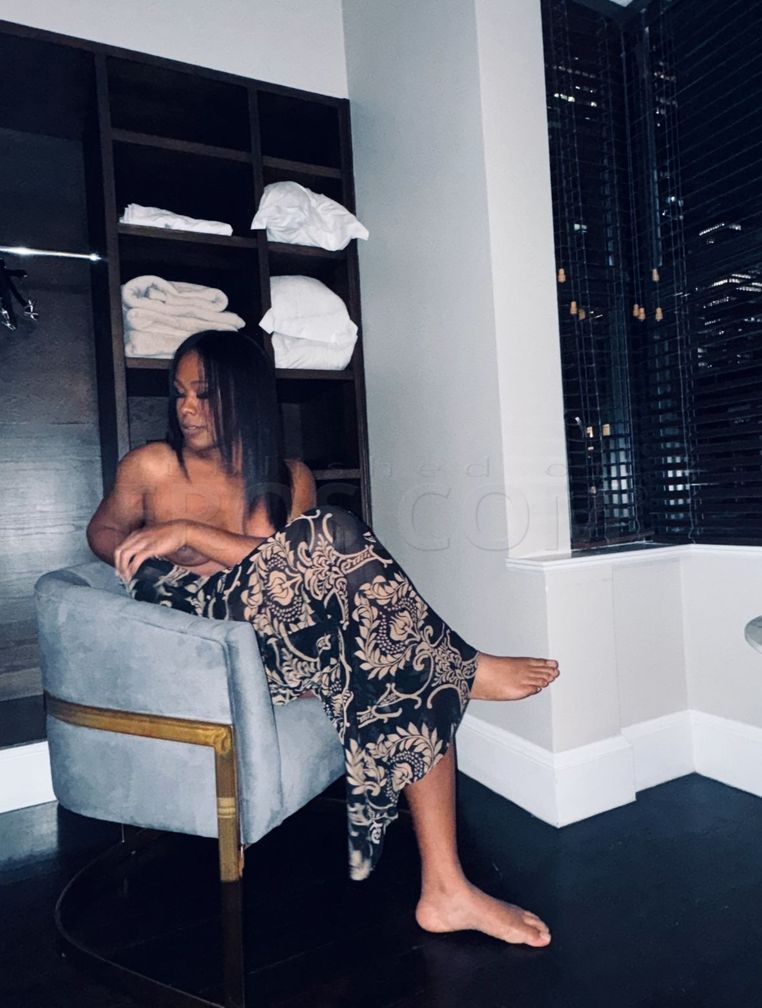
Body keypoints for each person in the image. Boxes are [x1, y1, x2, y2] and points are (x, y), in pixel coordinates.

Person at [87, 329, 560, 948]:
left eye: (204, 394)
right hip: (201, 640)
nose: (188, 409)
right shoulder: (152, 465)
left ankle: (446, 889)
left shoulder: (289, 477)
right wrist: (147, 558)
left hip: (282, 649)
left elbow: (292, 570)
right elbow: (102, 530)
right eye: (179, 394)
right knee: (342, 541)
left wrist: (192, 532)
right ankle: (461, 665)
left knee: (404, 665)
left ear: (245, 396)